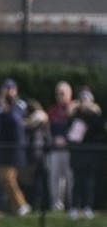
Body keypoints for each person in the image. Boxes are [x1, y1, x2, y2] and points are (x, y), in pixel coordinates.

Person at [0, 78, 30, 214]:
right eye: (6, 89)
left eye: (11, 89)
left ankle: (21, 205)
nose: (8, 92)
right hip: (0, 147)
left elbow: (21, 119)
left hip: (15, 148)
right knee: (3, 179)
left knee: (9, 178)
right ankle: (12, 208)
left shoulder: (20, 106)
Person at [68, 87, 104, 218]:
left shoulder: (95, 115)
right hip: (78, 154)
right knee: (77, 181)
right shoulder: (75, 114)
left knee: (89, 181)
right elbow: (70, 129)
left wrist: (93, 112)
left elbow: (98, 128)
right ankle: (74, 207)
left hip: (90, 153)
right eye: (82, 99)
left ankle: (87, 207)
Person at [47, 80, 76, 211]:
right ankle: (57, 206)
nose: (60, 96)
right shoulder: (53, 111)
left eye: (63, 93)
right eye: (58, 94)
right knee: (55, 178)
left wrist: (67, 139)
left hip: (69, 150)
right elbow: (48, 130)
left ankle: (72, 205)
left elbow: (77, 130)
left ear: (69, 94)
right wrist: (54, 139)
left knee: (69, 179)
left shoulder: (74, 110)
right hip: (55, 150)